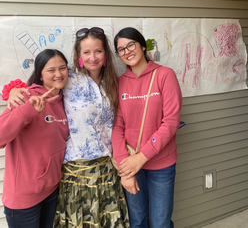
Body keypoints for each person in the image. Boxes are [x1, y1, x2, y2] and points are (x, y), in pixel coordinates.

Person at [4, 27, 130, 228]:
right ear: (79, 56)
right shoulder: (69, 77)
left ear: (105, 54)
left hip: (107, 169)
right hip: (75, 172)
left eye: (98, 51)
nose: (92, 57)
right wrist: (13, 90)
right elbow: (41, 81)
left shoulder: (112, 82)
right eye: (86, 52)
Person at [111, 27, 182, 228]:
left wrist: (141, 158)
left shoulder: (164, 75)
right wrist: (126, 168)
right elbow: (117, 127)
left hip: (161, 165)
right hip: (131, 167)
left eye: (130, 45)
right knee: (137, 221)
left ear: (142, 46)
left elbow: (170, 122)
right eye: (121, 49)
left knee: (160, 222)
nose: (127, 51)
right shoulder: (120, 83)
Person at [0, 49, 69, 228]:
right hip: (24, 199)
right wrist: (27, 110)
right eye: (51, 70)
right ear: (39, 74)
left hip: (51, 190)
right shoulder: (26, 96)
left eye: (62, 68)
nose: (58, 74)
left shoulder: (62, 100)